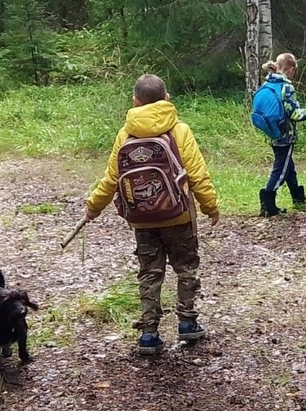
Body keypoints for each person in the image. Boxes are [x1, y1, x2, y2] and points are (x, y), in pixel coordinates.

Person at [83, 74, 220, 356]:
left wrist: (94, 206)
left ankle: (149, 333)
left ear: (135, 101)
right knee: (185, 267)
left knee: (149, 272)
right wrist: (210, 206)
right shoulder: (179, 130)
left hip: (142, 219)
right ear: (167, 98)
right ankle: (187, 323)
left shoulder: (126, 134)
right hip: (179, 215)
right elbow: (196, 174)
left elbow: (112, 178)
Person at [258, 53, 306, 218]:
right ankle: (267, 203)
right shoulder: (287, 87)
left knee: (288, 167)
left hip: (272, 132)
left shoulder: (268, 82)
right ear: (291, 69)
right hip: (285, 135)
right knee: (281, 169)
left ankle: (298, 198)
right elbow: (294, 114)